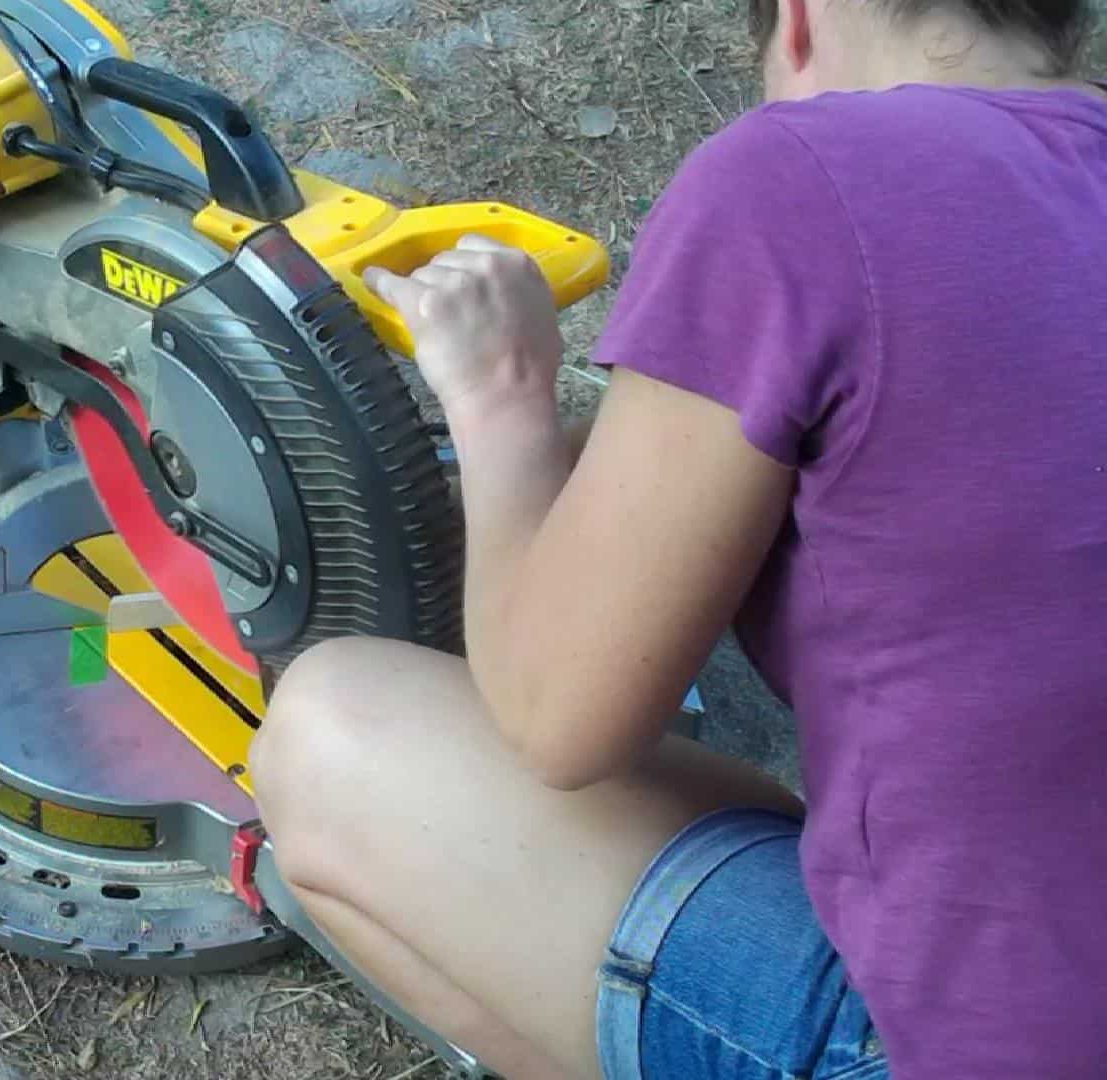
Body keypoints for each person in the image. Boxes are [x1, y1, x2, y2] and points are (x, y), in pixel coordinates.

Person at [247, 0, 1106, 1075]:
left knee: (330, 733)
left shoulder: (803, 174)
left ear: (798, 22)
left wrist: (499, 396)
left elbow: (557, 724)